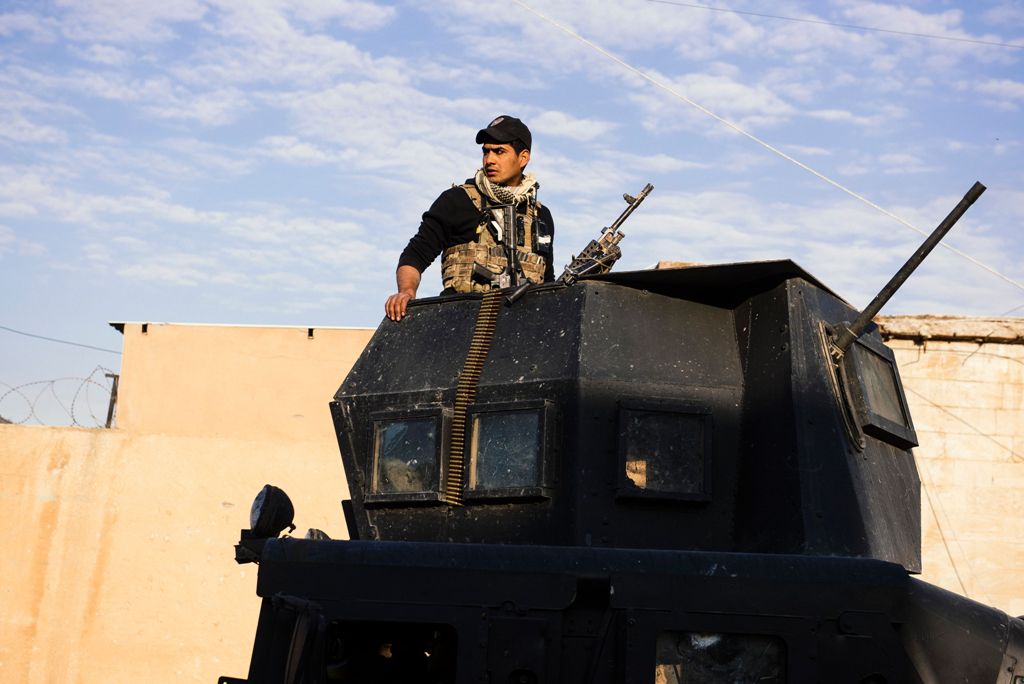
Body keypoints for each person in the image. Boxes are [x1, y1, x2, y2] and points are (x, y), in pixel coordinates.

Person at [385, 115, 555, 321]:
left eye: (499, 152)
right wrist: (406, 292)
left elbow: (547, 281)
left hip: (520, 328)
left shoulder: (540, 215)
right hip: (461, 322)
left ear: (523, 158)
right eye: (486, 151)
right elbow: (415, 255)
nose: (489, 160)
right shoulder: (457, 201)